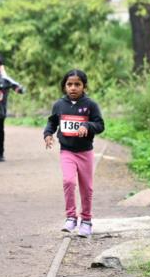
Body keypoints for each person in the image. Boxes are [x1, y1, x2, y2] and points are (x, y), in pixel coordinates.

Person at [43, 69, 104, 238]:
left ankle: (86, 221)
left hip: (85, 152)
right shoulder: (59, 105)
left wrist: (88, 126)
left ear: (84, 86)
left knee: (87, 187)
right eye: (69, 84)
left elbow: (100, 125)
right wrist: (48, 134)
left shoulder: (90, 105)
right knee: (68, 181)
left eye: (77, 84)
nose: (73, 88)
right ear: (64, 87)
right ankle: (71, 217)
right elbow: (52, 123)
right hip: (67, 151)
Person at [0, 57, 25, 162]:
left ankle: (0, 154)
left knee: (0, 131)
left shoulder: (5, 80)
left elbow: (17, 88)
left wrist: (20, 90)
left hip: (1, 110)